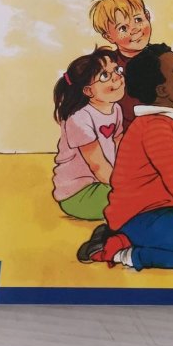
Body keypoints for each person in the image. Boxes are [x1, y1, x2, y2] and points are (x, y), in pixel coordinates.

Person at [82, 43, 173, 271]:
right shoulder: (156, 127)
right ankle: (125, 253)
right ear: (161, 90)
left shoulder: (161, 121)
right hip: (139, 216)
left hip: (158, 207)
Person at [52, 48, 125, 220]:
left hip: (106, 182)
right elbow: (97, 165)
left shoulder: (116, 109)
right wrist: (124, 185)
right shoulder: (79, 118)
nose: (117, 76)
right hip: (79, 193)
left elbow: (119, 144)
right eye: (105, 76)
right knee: (132, 200)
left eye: (117, 70)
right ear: (88, 91)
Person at [89, 0, 152, 131]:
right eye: (123, 28)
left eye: (138, 20)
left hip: (162, 128)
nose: (134, 30)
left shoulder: (163, 58)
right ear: (109, 37)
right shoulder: (109, 67)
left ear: (147, 16)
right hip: (124, 133)